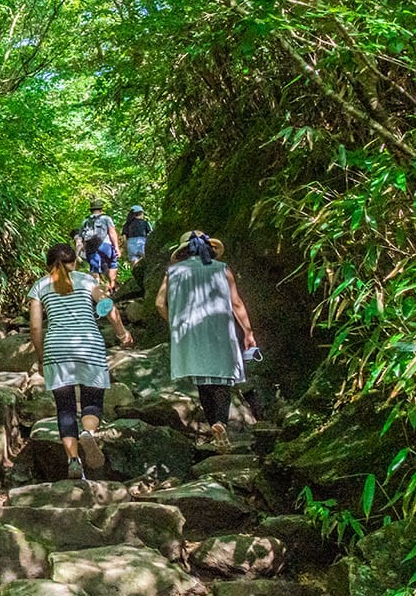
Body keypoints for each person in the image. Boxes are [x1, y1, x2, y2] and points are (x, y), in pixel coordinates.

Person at [28, 243, 134, 479]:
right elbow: (108, 307)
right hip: (89, 346)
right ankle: (88, 432)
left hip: (57, 349)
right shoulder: (87, 280)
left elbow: (35, 327)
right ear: (74, 262)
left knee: (65, 408)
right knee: (92, 400)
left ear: (48, 265)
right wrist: (121, 333)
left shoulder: (40, 286)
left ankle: (73, 461)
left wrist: (41, 357)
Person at [156, 230, 259, 437]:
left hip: (189, 333)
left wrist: (175, 324)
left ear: (184, 251)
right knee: (221, 381)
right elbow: (236, 303)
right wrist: (248, 332)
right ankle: (220, 423)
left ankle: (214, 426)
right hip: (220, 330)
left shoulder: (173, 272)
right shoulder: (222, 269)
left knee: (203, 382)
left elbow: (159, 303)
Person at [76, 202, 122, 291]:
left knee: (94, 269)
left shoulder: (85, 221)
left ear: (91, 210)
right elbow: (112, 232)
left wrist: (79, 251)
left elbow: (80, 238)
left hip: (91, 247)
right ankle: (112, 287)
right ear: (101, 210)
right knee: (112, 263)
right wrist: (116, 247)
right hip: (106, 245)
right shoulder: (106, 218)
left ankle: (97, 290)